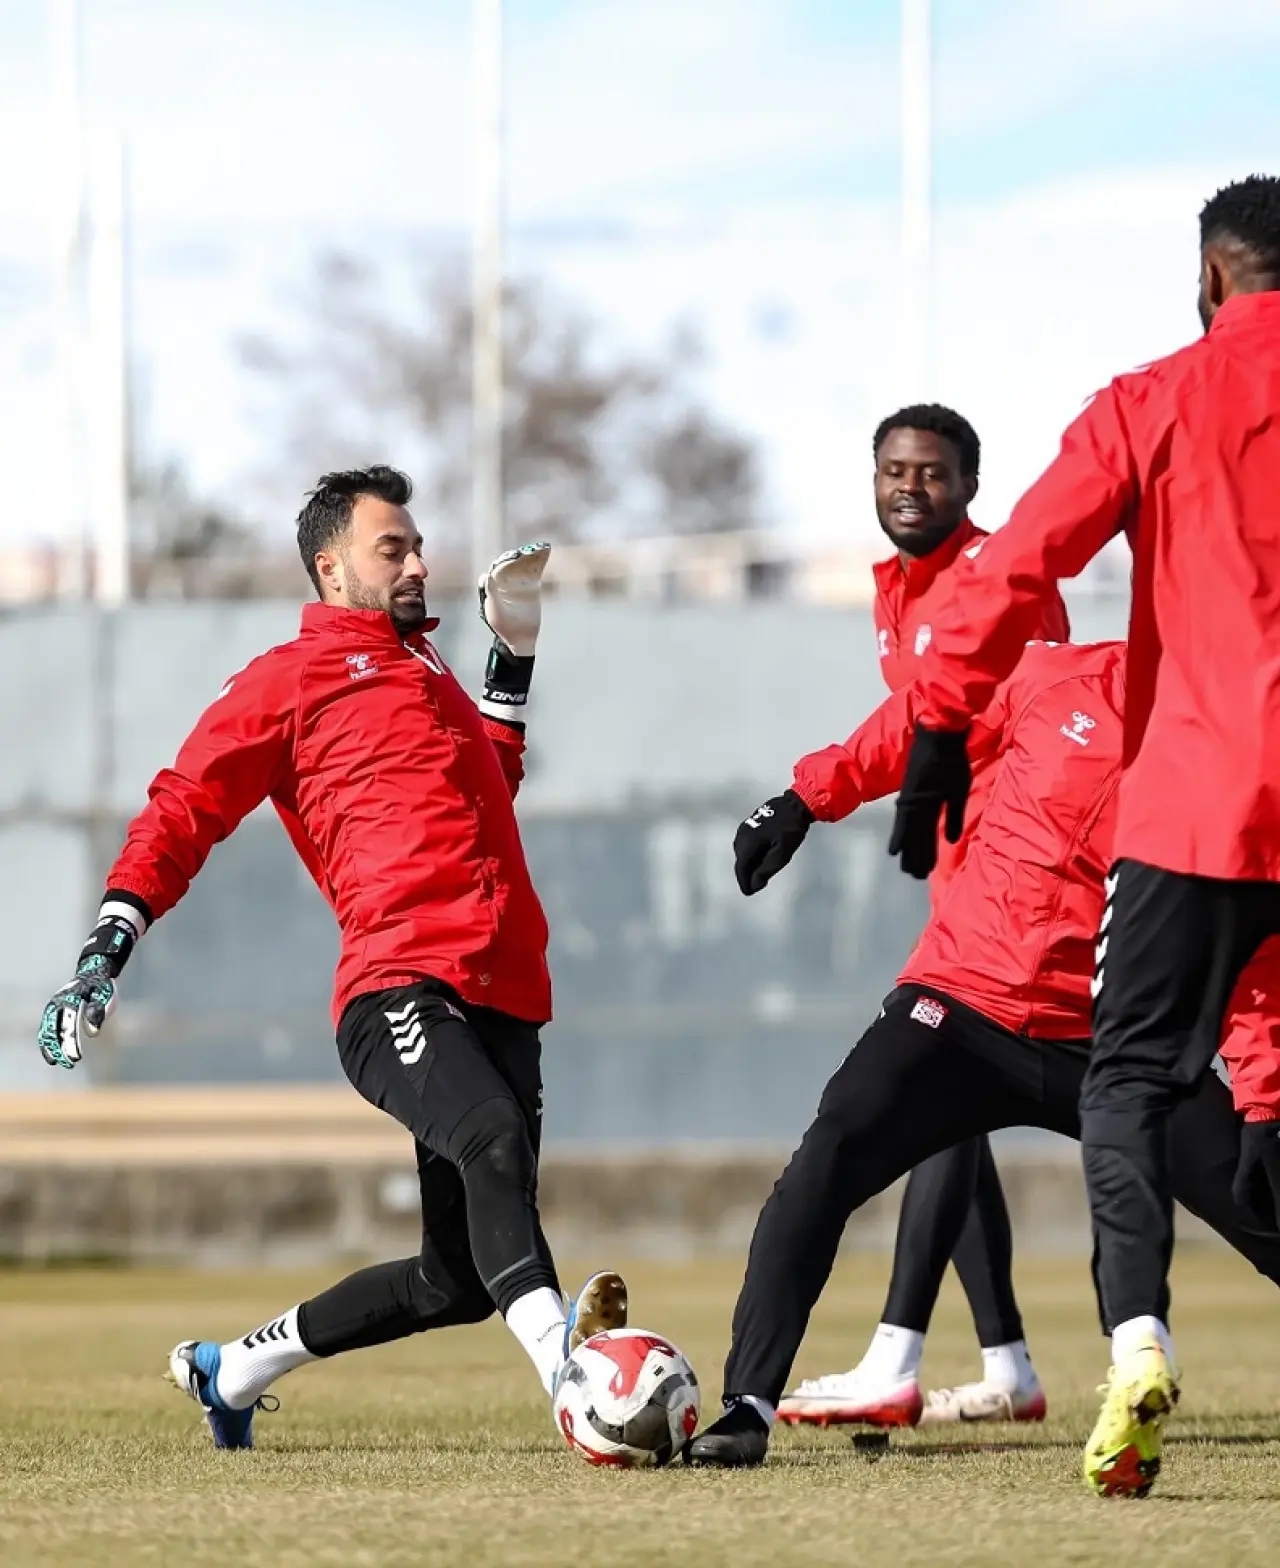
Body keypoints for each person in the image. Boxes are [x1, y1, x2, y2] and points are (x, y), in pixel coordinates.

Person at [36, 466, 627, 1449]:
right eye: (392, 549)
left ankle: (233, 1369)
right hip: (397, 983)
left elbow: (488, 785)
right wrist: (108, 943)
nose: (417, 563)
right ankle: (570, 1372)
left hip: (503, 984)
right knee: (490, 1137)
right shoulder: (290, 677)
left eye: (418, 546)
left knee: (455, 1280)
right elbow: (184, 809)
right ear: (330, 569)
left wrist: (512, 654)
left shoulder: (427, 671)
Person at [882, 175, 1280, 1494]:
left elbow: (1020, 564)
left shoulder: (1151, 397)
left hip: (1199, 804)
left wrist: (938, 720)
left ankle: (1139, 1343)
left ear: (1212, 277)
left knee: (1128, 1081)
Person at [692, 639, 1280, 1487]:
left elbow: (1254, 955)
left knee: (1265, 1198)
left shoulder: (1241, 765)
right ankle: (748, 1405)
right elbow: (926, 715)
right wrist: (807, 797)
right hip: (962, 1004)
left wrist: (1262, 1101)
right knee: (830, 1153)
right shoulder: (1055, 677)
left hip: (1118, 1044)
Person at [747, 406, 1067, 1429]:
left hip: (1025, 890)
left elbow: (946, 710)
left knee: (942, 1084)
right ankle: (1008, 1364)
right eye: (893, 470)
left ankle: (894, 1355)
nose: (908, 487)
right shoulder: (897, 586)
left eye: (930, 472)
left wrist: (808, 794)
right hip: (967, 879)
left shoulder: (996, 579)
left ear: (969, 485)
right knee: (951, 1102)